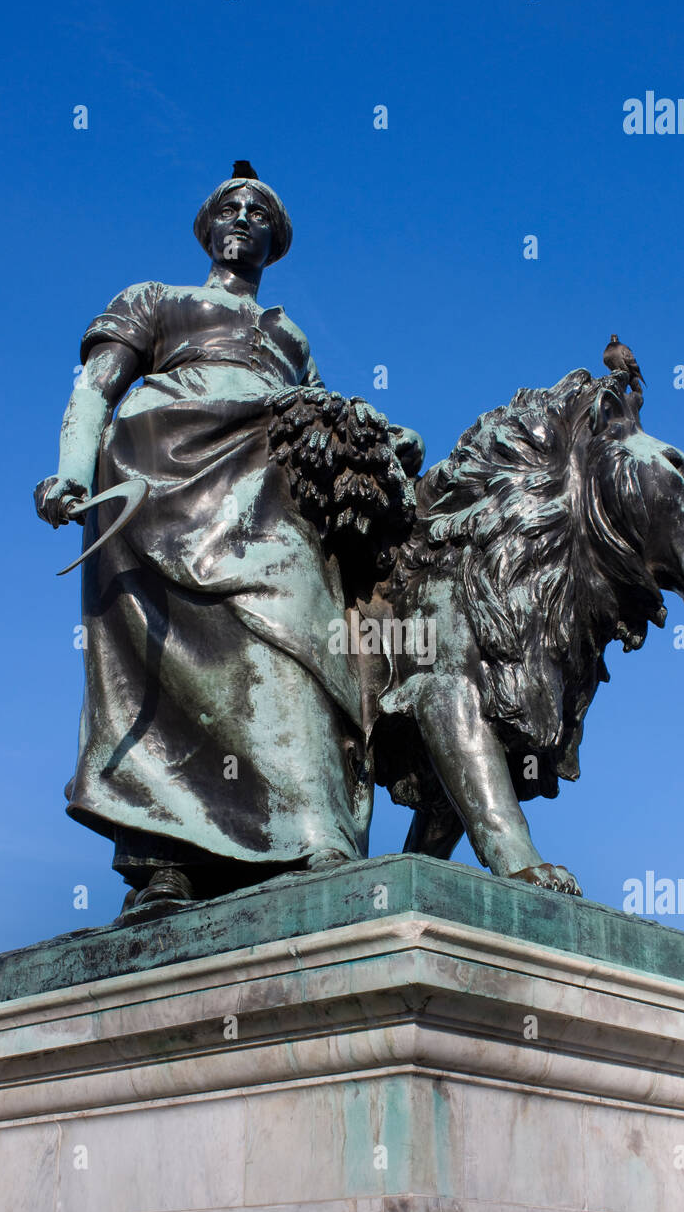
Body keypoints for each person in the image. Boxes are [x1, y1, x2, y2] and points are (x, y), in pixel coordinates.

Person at [35, 163, 423, 916]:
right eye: (232, 208)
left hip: (266, 487)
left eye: (259, 215)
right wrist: (70, 473)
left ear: (273, 243)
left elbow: (317, 430)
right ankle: (169, 862)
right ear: (209, 228)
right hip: (157, 478)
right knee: (160, 665)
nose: (244, 219)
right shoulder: (156, 300)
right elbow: (95, 386)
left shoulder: (290, 338)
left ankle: (310, 831)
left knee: (300, 636)